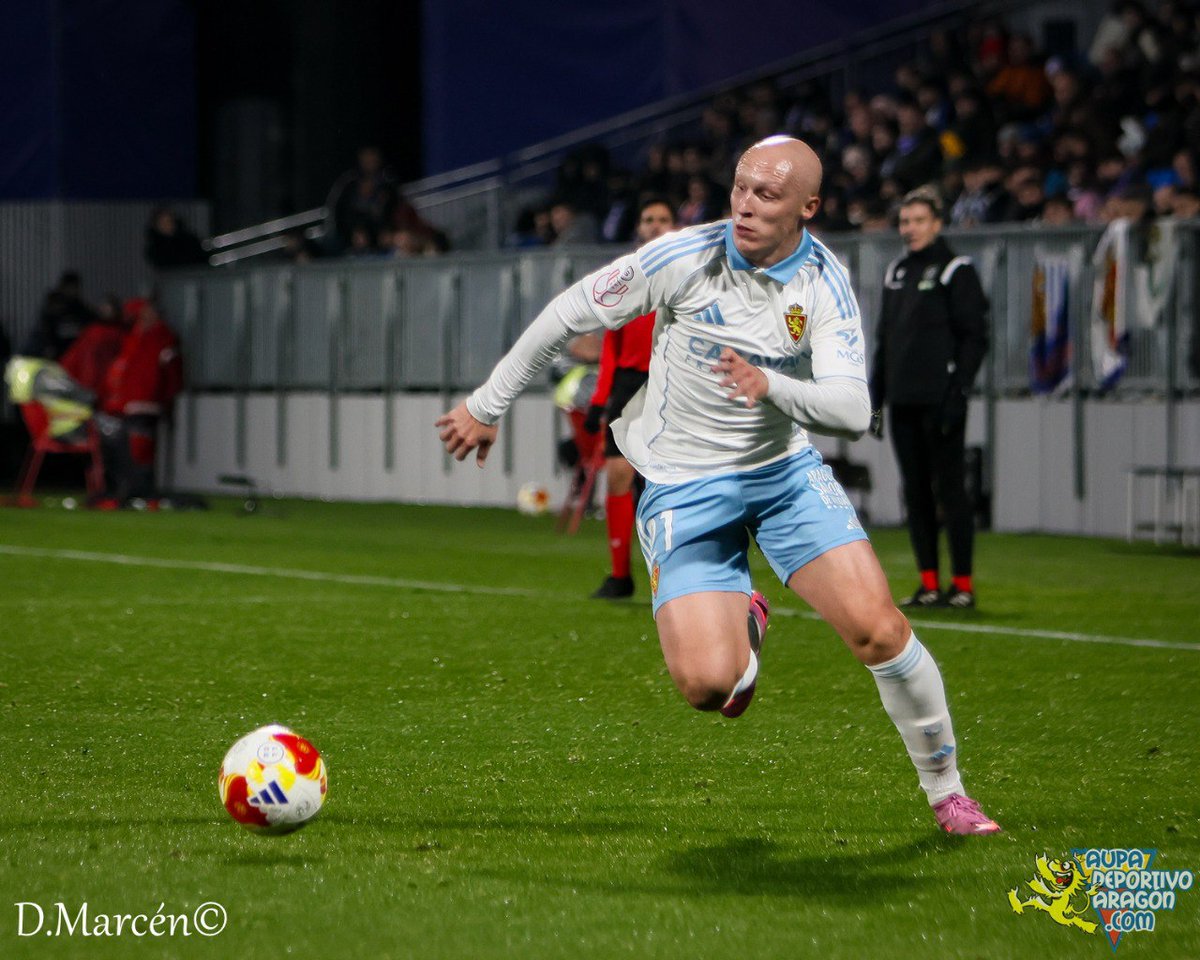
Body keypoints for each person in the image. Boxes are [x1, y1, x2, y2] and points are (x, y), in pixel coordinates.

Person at [438, 137, 1000, 836]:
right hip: (683, 484)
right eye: (740, 187)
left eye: (767, 194)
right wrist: (485, 405)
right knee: (707, 688)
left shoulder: (822, 283)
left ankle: (948, 793)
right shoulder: (682, 257)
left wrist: (773, 385)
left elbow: (854, 411)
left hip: (783, 477)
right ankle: (747, 619)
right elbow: (567, 314)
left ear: (808, 207)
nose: (746, 204)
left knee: (879, 629)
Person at [869, 187, 989, 609]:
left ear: (937, 224)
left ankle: (963, 584)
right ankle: (929, 584)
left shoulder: (957, 270)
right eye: (904, 221)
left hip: (941, 400)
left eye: (919, 220)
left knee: (951, 492)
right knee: (915, 493)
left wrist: (959, 390)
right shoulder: (897, 272)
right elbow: (885, 340)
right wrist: (875, 397)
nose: (910, 229)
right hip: (903, 402)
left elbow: (975, 338)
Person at [581, 197, 676, 599]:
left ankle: (675, 574)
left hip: (670, 383)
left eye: (663, 218)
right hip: (627, 384)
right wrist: (600, 399)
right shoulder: (623, 277)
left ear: (674, 226)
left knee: (668, 480)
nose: (655, 225)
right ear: (639, 227)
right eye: (648, 219)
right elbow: (610, 344)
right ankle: (620, 575)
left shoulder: (687, 274)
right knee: (619, 475)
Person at [97, 298, 184, 503]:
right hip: (125, 405)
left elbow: (171, 375)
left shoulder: (162, 339)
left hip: (146, 403)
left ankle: (140, 490)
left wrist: (168, 401)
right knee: (125, 449)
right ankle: (126, 489)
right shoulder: (135, 338)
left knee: (140, 449)